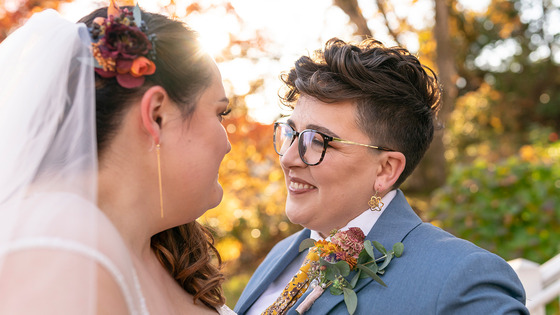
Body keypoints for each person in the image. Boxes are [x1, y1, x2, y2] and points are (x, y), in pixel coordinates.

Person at [235, 38, 529, 314]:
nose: (287, 158)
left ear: (386, 170)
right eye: (291, 133)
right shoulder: (281, 254)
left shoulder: (461, 279)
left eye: (318, 140)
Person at [0, 2, 235, 314]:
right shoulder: (59, 254)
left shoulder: (169, 255)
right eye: (220, 113)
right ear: (157, 115)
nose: (228, 143)